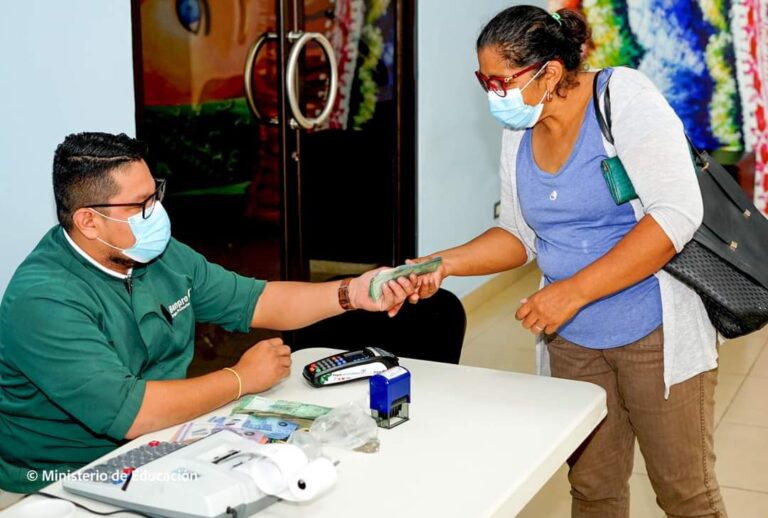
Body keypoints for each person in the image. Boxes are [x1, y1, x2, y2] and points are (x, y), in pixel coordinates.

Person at [411, 6, 726, 518]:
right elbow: (519, 234)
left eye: (500, 80)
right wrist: (444, 263)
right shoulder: (522, 126)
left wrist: (573, 291)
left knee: (684, 494)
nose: (493, 94)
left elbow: (675, 214)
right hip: (573, 341)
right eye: (483, 81)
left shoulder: (622, 98)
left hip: (654, 330)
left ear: (550, 71)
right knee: (593, 490)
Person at [0, 132, 418, 503]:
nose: (156, 213)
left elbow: (259, 300)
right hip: (60, 479)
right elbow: (133, 414)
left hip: (159, 445)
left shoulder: (155, 255)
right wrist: (241, 379)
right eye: (139, 204)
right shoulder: (44, 298)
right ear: (89, 221)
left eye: (155, 195)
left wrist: (352, 293)